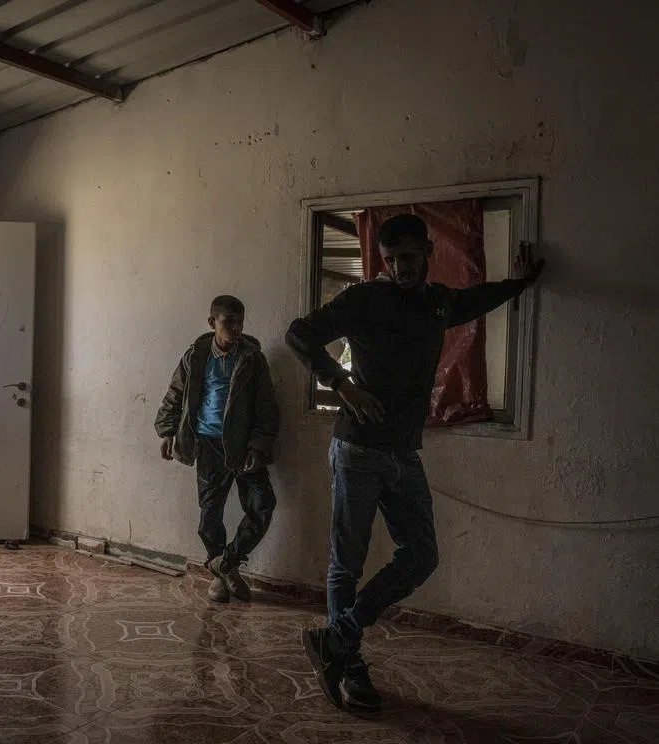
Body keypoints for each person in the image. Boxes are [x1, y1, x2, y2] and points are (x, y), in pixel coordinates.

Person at [285, 213, 545, 712]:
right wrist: (341, 384)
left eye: (408, 256)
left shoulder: (437, 303)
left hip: (403, 454)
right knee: (346, 565)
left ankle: (337, 637)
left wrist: (520, 283)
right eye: (390, 259)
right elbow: (299, 334)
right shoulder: (364, 299)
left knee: (422, 555)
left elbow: (476, 299)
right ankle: (349, 666)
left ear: (428, 250)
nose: (399, 267)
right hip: (358, 450)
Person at [155, 295, 279, 603]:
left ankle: (227, 562)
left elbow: (267, 407)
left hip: (242, 447)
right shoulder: (196, 356)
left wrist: (258, 446)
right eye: (229, 322)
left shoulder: (252, 359)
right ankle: (221, 572)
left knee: (262, 505)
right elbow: (175, 393)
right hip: (208, 444)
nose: (236, 328)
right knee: (210, 515)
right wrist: (167, 431)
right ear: (212, 322)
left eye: (240, 323)